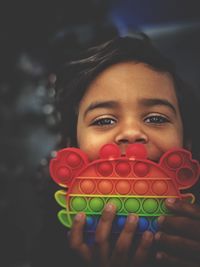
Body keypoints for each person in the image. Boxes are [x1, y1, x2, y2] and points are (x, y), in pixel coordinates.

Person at [32, 33, 200, 267]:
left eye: (154, 117)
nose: (131, 133)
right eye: (103, 121)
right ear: (73, 148)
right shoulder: (52, 241)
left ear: (186, 146)